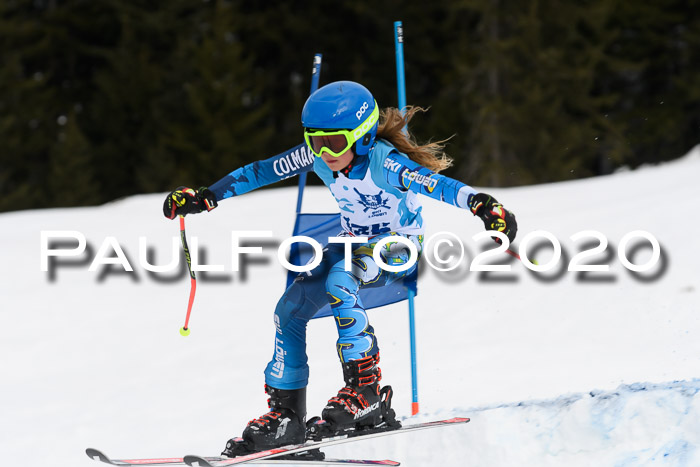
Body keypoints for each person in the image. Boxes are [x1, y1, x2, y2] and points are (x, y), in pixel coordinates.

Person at [163, 81, 517, 456]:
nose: (324, 153)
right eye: (315, 142)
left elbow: (438, 185)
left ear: (363, 137)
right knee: (289, 309)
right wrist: (207, 196)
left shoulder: (386, 164)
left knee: (340, 279)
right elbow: (262, 171)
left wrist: (483, 205)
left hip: (399, 246)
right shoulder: (318, 157)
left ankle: (366, 392)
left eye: (334, 142)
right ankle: (286, 417)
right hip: (353, 245)